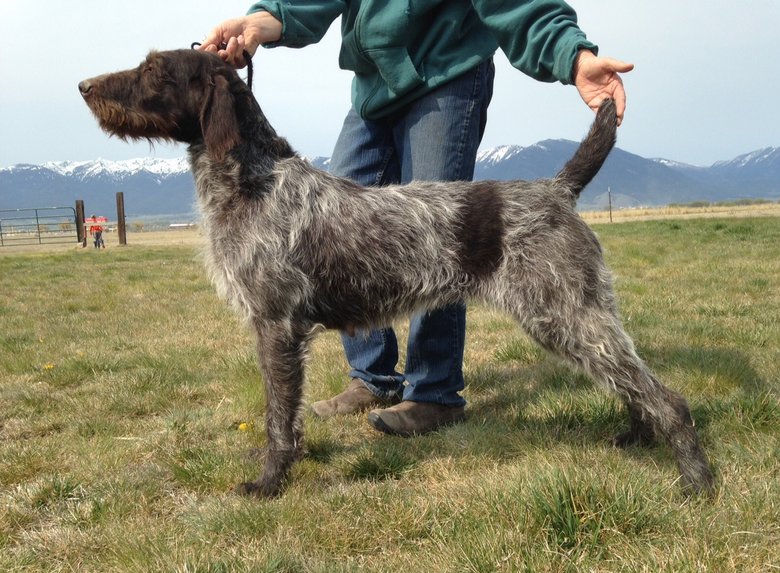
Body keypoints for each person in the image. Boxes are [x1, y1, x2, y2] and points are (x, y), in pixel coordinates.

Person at [201, 1, 633, 437]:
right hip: (375, 87)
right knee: (338, 230)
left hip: (445, 73)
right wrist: (254, 25)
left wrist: (573, 55)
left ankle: (433, 392)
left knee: (443, 240)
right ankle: (373, 378)